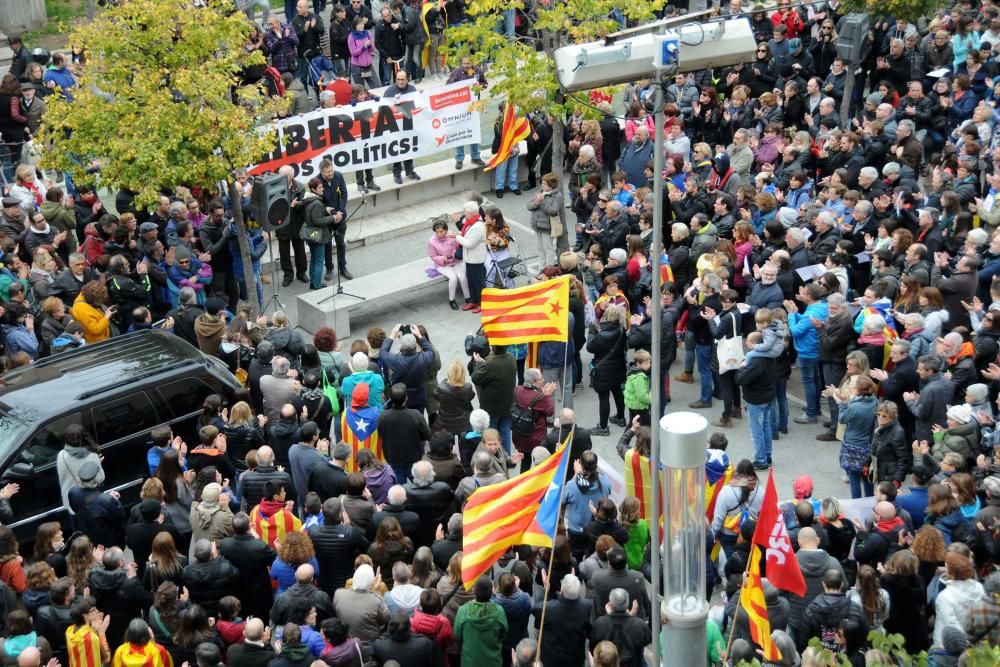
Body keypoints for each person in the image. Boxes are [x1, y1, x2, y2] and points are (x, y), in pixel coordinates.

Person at [454, 575, 508, 666]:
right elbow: (504, 633)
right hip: (492, 662)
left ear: (474, 590)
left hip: (470, 662)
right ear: (491, 592)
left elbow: (457, 634)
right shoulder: (499, 611)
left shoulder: (463, 611)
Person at [428, 221, 470, 310]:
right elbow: (433, 256)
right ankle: (452, 300)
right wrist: (442, 258)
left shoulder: (452, 235)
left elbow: (459, 247)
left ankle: (468, 298)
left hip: (456, 260)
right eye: (437, 232)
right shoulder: (431, 241)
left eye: (441, 231)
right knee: (453, 278)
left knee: (462, 277)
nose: (439, 234)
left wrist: (454, 254)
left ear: (446, 230)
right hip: (442, 265)